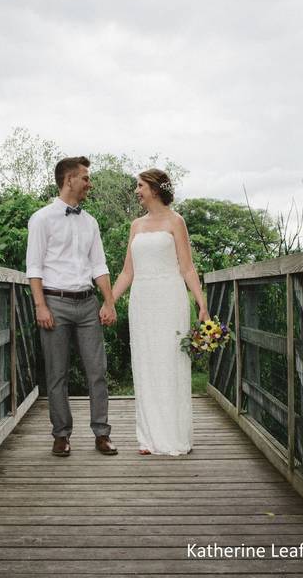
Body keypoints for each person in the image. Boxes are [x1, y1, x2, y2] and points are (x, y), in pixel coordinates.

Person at [25, 156, 119, 457]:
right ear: (69, 180)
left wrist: (109, 301)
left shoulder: (90, 222)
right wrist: (41, 306)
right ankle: (61, 435)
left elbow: (99, 264)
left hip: (88, 303)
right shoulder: (41, 219)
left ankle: (101, 434)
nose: (89, 184)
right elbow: (34, 267)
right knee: (57, 374)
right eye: (86, 178)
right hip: (55, 303)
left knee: (97, 372)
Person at [110, 169, 209, 455]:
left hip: (170, 297)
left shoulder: (176, 221)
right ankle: (149, 437)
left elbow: (187, 268)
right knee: (145, 363)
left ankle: (175, 436)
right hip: (142, 299)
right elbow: (128, 271)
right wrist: (110, 301)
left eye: (140, 186)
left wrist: (201, 304)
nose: (137, 191)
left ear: (154, 188)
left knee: (170, 363)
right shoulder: (135, 225)